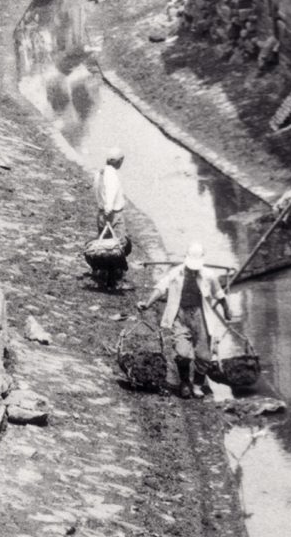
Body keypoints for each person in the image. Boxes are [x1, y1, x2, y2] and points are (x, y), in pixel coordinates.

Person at [137, 242, 232, 399]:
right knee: (182, 353)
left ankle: (197, 385)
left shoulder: (208, 275)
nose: (192, 272)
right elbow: (161, 288)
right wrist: (147, 303)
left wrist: (227, 310)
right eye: (190, 269)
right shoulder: (176, 273)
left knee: (204, 355)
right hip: (181, 315)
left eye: (195, 269)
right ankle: (184, 382)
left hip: (201, 316)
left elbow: (219, 294)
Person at [94, 147, 127, 247]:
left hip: (101, 212)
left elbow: (97, 191)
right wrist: (108, 210)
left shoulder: (100, 173)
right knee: (118, 244)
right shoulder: (112, 175)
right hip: (113, 214)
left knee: (104, 243)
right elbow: (110, 193)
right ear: (119, 161)